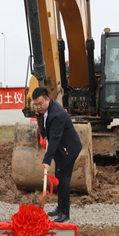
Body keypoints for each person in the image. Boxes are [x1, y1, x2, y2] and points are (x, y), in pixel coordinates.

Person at [32, 87, 82, 223]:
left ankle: (65, 213)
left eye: (40, 103)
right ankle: (60, 207)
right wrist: (43, 133)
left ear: (47, 99)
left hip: (68, 150)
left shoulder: (57, 114)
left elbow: (55, 139)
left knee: (64, 181)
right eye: (36, 104)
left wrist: (47, 160)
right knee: (59, 177)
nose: (38, 107)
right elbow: (44, 126)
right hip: (61, 148)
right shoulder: (45, 110)